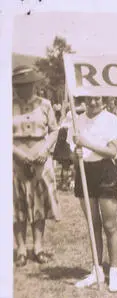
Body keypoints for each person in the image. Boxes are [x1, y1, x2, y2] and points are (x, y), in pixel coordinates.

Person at [68, 96, 117, 292]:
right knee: (93, 224)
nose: (93, 103)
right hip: (85, 172)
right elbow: (72, 154)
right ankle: (96, 269)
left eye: (97, 99)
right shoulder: (75, 120)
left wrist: (86, 144)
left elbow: (112, 152)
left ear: (103, 100)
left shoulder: (111, 119)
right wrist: (76, 155)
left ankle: (114, 271)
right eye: (90, 100)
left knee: (109, 225)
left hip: (105, 171)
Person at [12, 65, 61, 267]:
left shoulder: (45, 105)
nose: (24, 89)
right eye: (20, 85)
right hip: (15, 159)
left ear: (34, 84)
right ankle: (21, 248)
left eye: (28, 85)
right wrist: (18, 154)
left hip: (41, 158)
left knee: (39, 203)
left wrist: (45, 150)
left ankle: (38, 246)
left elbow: (54, 130)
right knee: (18, 204)